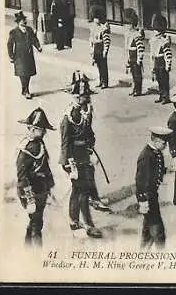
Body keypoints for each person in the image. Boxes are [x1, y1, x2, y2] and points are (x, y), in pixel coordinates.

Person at [59, 73, 104, 238]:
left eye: (86, 96)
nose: (85, 99)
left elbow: (89, 132)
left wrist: (91, 148)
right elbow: (65, 142)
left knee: (78, 189)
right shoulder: (68, 117)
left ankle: (73, 219)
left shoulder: (87, 110)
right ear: (75, 97)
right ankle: (88, 224)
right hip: (73, 157)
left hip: (85, 153)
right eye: (82, 97)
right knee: (83, 189)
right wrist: (67, 164)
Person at [16, 108, 56, 247]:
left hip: (41, 188)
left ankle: (27, 247)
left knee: (35, 221)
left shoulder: (39, 143)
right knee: (37, 224)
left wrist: (49, 184)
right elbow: (22, 178)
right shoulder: (25, 151)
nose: (44, 132)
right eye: (41, 129)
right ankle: (36, 256)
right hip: (30, 192)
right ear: (32, 129)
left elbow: (44, 165)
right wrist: (30, 200)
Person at [136, 126, 173, 249]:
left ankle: (143, 252)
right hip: (147, 197)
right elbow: (141, 180)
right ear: (156, 140)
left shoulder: (155, 153)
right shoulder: (146, 155)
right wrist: (142, 201)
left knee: (148, 229)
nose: (165, 146)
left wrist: (167, 170)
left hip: (152, 195)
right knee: (158, 229)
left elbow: (155, 171)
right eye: (164, 143)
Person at [7, 11, 43, 100]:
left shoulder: (29, 30)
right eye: (22, 20)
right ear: (19, 22)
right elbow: (9, 44)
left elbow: (34, 39)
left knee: (28, 73)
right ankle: (26, 90)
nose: (24, 22)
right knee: (22, 74)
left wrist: (38, 47)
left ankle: (24, 89)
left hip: (29, 55)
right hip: (19, 56)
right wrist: (11, 56)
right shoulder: (14, 32)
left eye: (25, 20)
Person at [150, 14, 172, 104]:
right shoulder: (153, 39)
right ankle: (161, 94)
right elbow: (152, 53)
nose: (154, 31)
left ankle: (166, 97)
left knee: (164, 80)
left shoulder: (164, 40)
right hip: (156, 61)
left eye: (156, 30)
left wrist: (168, 65)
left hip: (162, 61)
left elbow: (168, 54)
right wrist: (152, 67)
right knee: (159, 79)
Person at [124, 8, 145, 97]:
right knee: (133, 74)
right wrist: (127, 59)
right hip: (131, 56)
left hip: (136, 57)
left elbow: (140, 48)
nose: (127, 26)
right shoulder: (127, 34)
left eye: (128, 24)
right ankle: (134, 88)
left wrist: (139, 59)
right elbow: (127, 48)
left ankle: (138, 90)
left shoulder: (136, 34)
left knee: (137, 75)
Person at [89, 5, 111, 89]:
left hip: (101, 48)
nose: (95, 20)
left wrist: (105, 51)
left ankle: (105, 82)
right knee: (98, 66)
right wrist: (91, 50)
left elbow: (107, 41)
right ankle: (101, 81)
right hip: (95, 48)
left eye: (97, 18)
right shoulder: (93, 28)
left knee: (103, 66)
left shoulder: (103, 29)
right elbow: (91, 39)